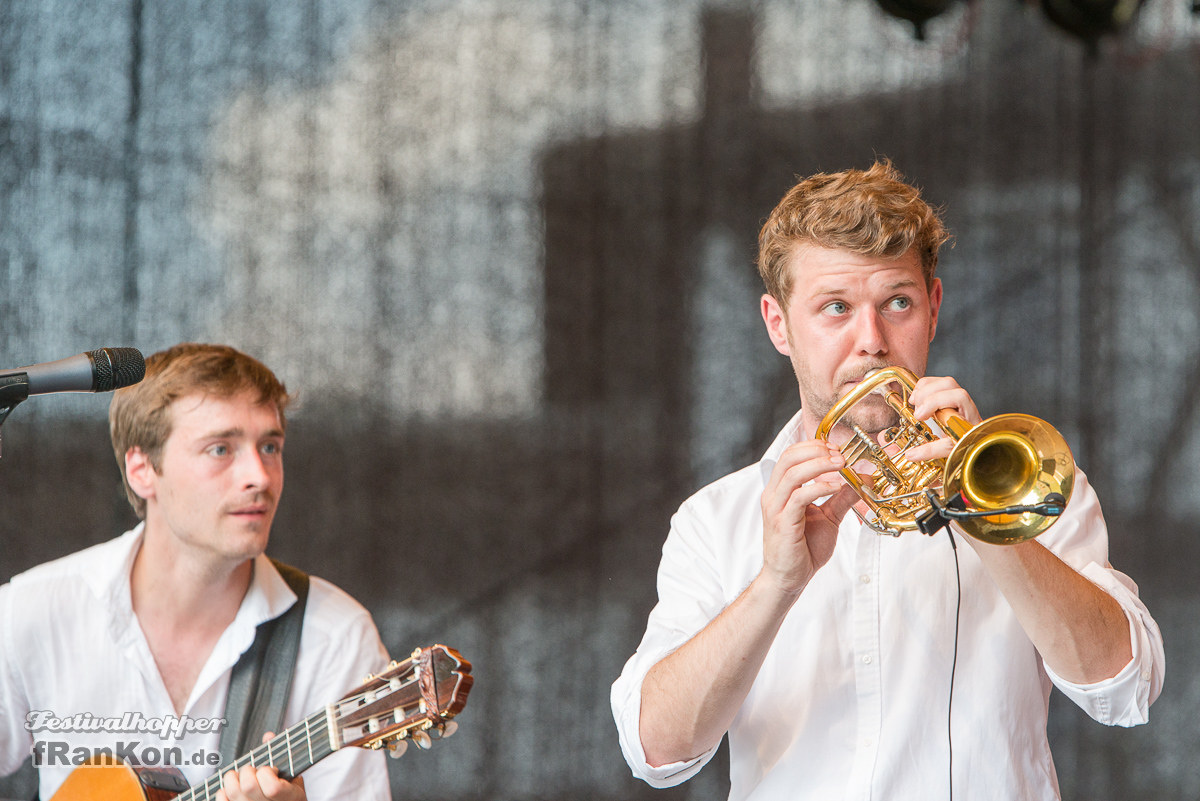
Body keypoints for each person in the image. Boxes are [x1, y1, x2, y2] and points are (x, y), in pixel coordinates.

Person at [611, 161, 1164, 800]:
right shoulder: (716, 519)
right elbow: (655, 751)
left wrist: (979, 510)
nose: (871, 341)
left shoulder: (1023, 482)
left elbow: (1126, 688)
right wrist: (777, 584)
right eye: (835, 308)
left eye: (896, 302)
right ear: (777, 324)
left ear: (932, 308)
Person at [0, 343, 393, 801]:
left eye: (270, 446)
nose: (260, 476)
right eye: (221, 448)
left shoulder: (336, 637)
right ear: (142, 469)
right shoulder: (32, 611)